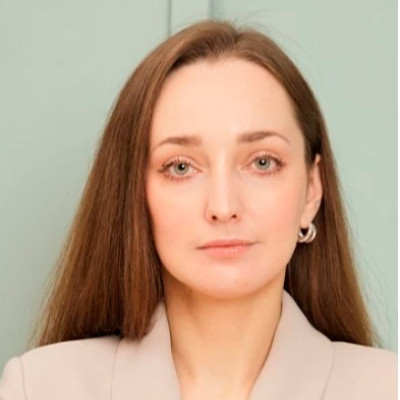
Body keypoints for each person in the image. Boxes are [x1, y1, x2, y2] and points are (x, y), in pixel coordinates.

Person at [0, 20, 396, 400]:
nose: (223, 207)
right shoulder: (38, 389)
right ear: (135, 194)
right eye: (180, 167)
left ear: (312, 190)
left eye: (262, 162)